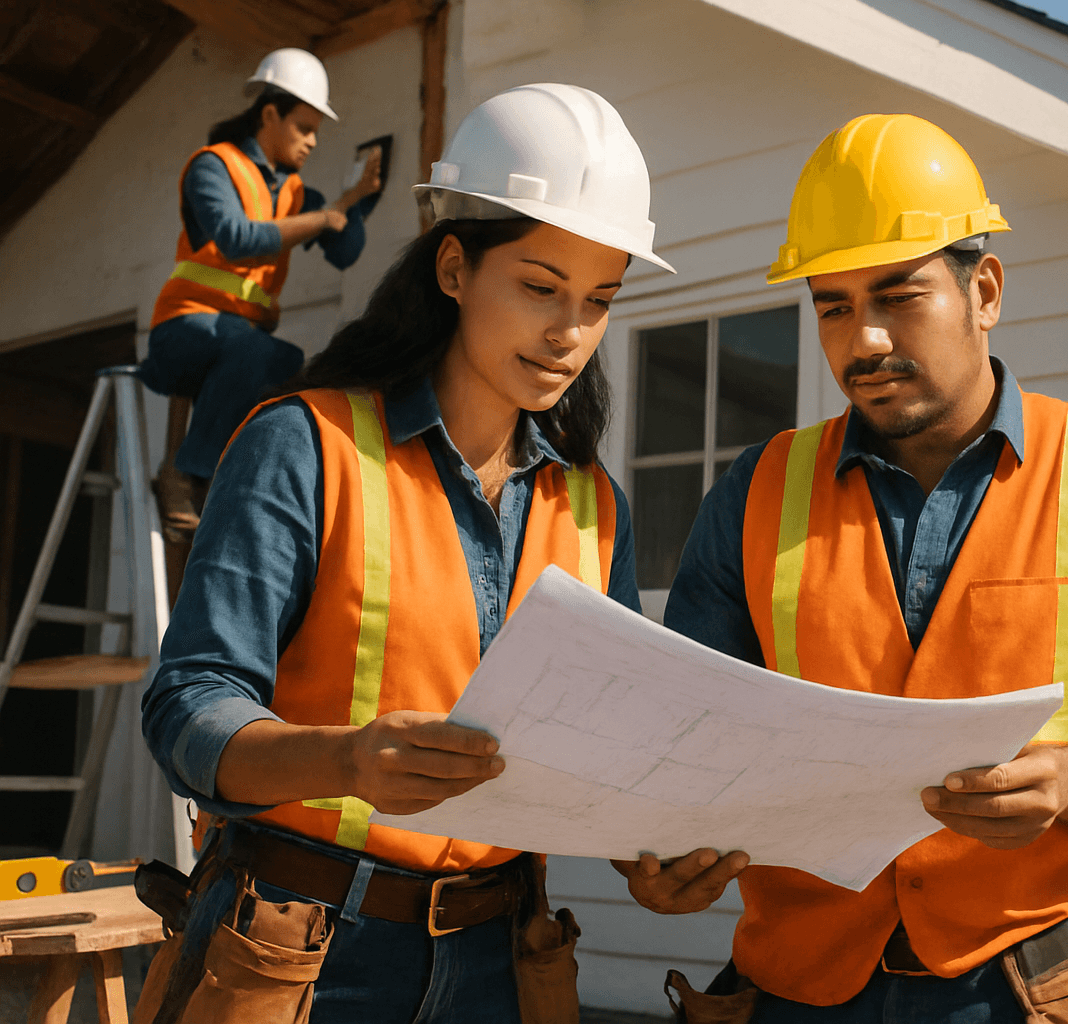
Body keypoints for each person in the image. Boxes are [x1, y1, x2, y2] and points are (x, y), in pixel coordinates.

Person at [620, 113, 1068, 1023]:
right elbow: (677, 745)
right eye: (832, 306)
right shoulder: (752, 495)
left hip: (1030, 986)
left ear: (984, 289)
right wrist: (656, 852)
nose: (863, 340)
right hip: (800, 988)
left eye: (897, 294)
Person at [136, 83, 674, 1024]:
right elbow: (188, 709)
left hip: (502, 959)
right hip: (298, 952)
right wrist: (344, 760)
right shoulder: (305, 443)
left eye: (599, 301)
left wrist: (657, 852)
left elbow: (604, 748)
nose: (569, 334)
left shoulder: (593, 505)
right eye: (541, 288)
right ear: (455, 268)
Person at [138, 48, 382, 546]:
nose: (313, 142)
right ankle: (185, 476)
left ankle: (232, 483)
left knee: (288, 365)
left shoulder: (295, 193)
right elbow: (234, 236)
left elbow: (345, 252)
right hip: (184, 328)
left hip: (237, 342)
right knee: (263, 352)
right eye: (304, 127)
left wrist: (350, 203)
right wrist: (323, 217)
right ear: (269, 113)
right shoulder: (214, 166)